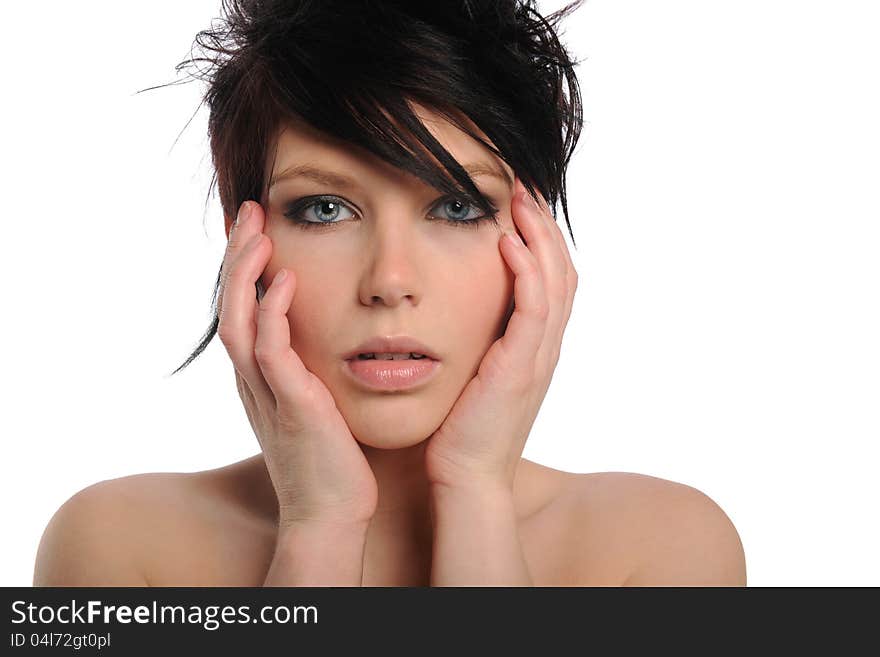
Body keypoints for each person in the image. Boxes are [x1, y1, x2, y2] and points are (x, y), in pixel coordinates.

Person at [33, 0, 746, 586]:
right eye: (323, 209)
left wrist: (476, 493)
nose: (391, 282)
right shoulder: (117, 548)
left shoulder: (664, 548)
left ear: (538, 244)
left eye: (457, 207)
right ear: (244, 242)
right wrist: (321, 523)